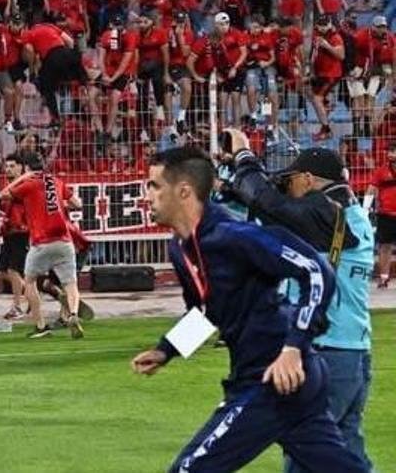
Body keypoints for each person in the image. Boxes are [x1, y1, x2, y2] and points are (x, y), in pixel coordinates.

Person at [133, 145, 367, 473]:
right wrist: (166, 350)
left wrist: (293, 348)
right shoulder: (181, 248)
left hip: (273, 378)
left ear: (183, 191)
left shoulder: (234, 236)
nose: (147, 195)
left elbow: (317, 271)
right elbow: (207, 312)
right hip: (274, 379)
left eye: (154, 186)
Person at [221, 136, 374, 471]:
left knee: (305, 455)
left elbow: (270, 204)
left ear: (308, 179)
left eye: (290, 180)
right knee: (347, 457)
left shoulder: (328, 215)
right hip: (353, 355)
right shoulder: (352, 217)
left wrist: (244, 155)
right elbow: (268, 212)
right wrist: (230, 187)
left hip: (327, 352)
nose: (287, 189)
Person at [1, 151, 84, 339]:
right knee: (71, 284)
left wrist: (23, 178)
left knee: (29, 281)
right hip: (64, 241)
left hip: (41, 243)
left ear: (27, 168)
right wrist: (60, 206)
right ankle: (73, 314)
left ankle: (40, 325)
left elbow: (3, 195)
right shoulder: (56, 181)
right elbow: (77, 203)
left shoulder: (29, 184)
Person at [0, 154, 30, 320]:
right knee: (2, 272)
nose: (8, 169)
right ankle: (31, 295)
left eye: (12, 166)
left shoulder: (23, 185)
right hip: (10, 232)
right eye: (7, 166)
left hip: (21, 232)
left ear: (21, 168)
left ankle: (17, 306)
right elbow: (7, 213)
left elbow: (4, 196)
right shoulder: (11, 186)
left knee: (13, 270)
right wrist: (1, 229)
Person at [367, 141, 396, 288]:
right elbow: (371, 189)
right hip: (386, 215)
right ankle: (384, 278)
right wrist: (365, 209)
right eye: (390, 151)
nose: (390, 154)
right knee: (385, 246)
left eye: (394, 151)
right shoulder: (381, 171)